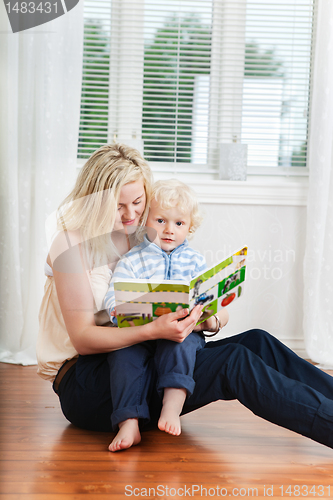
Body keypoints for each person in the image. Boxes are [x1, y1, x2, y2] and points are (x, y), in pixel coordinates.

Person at [37, 142, 333, 454]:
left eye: (138, 202)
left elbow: (202, 302)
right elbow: (83, 339)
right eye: (118, 205)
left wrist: (206, 318)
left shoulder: (146, 234)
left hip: (151, 351)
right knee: (233, 362)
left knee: (257, 341)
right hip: (91, 381)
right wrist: (154, 330)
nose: (131, 214)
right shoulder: (69, 243)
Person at [104, 179, 219, 450]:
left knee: (182, 344)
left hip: (180, 331)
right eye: (160, 220)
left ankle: (171, 407)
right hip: (141, 332)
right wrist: (117, 310)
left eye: (178, 223)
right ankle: (128, 422)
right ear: (146, 221)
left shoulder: (195, 261)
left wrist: (204, 311)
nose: (169, 230)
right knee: (122, 356)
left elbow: (207, 299)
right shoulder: (133, 258)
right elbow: (114, 293)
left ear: (190, 226)